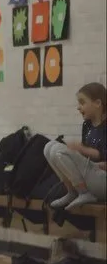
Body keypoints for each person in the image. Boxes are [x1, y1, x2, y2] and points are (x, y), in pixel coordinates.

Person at [44, 82, 107, 211]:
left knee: (58, 150)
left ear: (97, 103)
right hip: (90, 173)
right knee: (49, 147)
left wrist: (80, 150)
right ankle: (72, 191)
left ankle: (84, 192)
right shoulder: (87, 125)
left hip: (102, 179)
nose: (78, 107)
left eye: (82, 103)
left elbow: (100, 157)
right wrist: (78, 155)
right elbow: (86, 156)